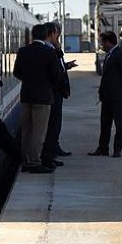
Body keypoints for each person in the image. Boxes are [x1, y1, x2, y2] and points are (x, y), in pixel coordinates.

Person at [13, 24, 61, 173]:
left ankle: (25, 161)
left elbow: (16, 72)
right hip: (43, 98)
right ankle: (34, 162)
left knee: (27, 130)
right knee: (38, 132)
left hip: (26, 95)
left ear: (32, 35)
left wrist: (29, 80)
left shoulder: (23, 51)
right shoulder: (49, 52)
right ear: (46, 35)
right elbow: (56, 76)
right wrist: (46, 84)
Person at [89, 32, 122, 158]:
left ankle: (118, 149)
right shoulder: (110, 54)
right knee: (105, 124)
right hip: (107, 96)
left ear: (108, 42)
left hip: (118, 96)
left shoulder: (119, 54)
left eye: (103, 42)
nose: (102, 45)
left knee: (119, 124)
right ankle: (103, 148)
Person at [41, 22, 76, 165]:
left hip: (58, 92)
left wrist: (66, 64)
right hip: (53, 92)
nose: (58, 37)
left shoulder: (55, 49)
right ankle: (50, 152)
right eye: (57, 34)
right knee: (53, 124)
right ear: (51, 34)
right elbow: (54, 71)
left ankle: (54, 146)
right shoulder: (48, 50)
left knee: (56, 123)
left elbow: (59, 66)